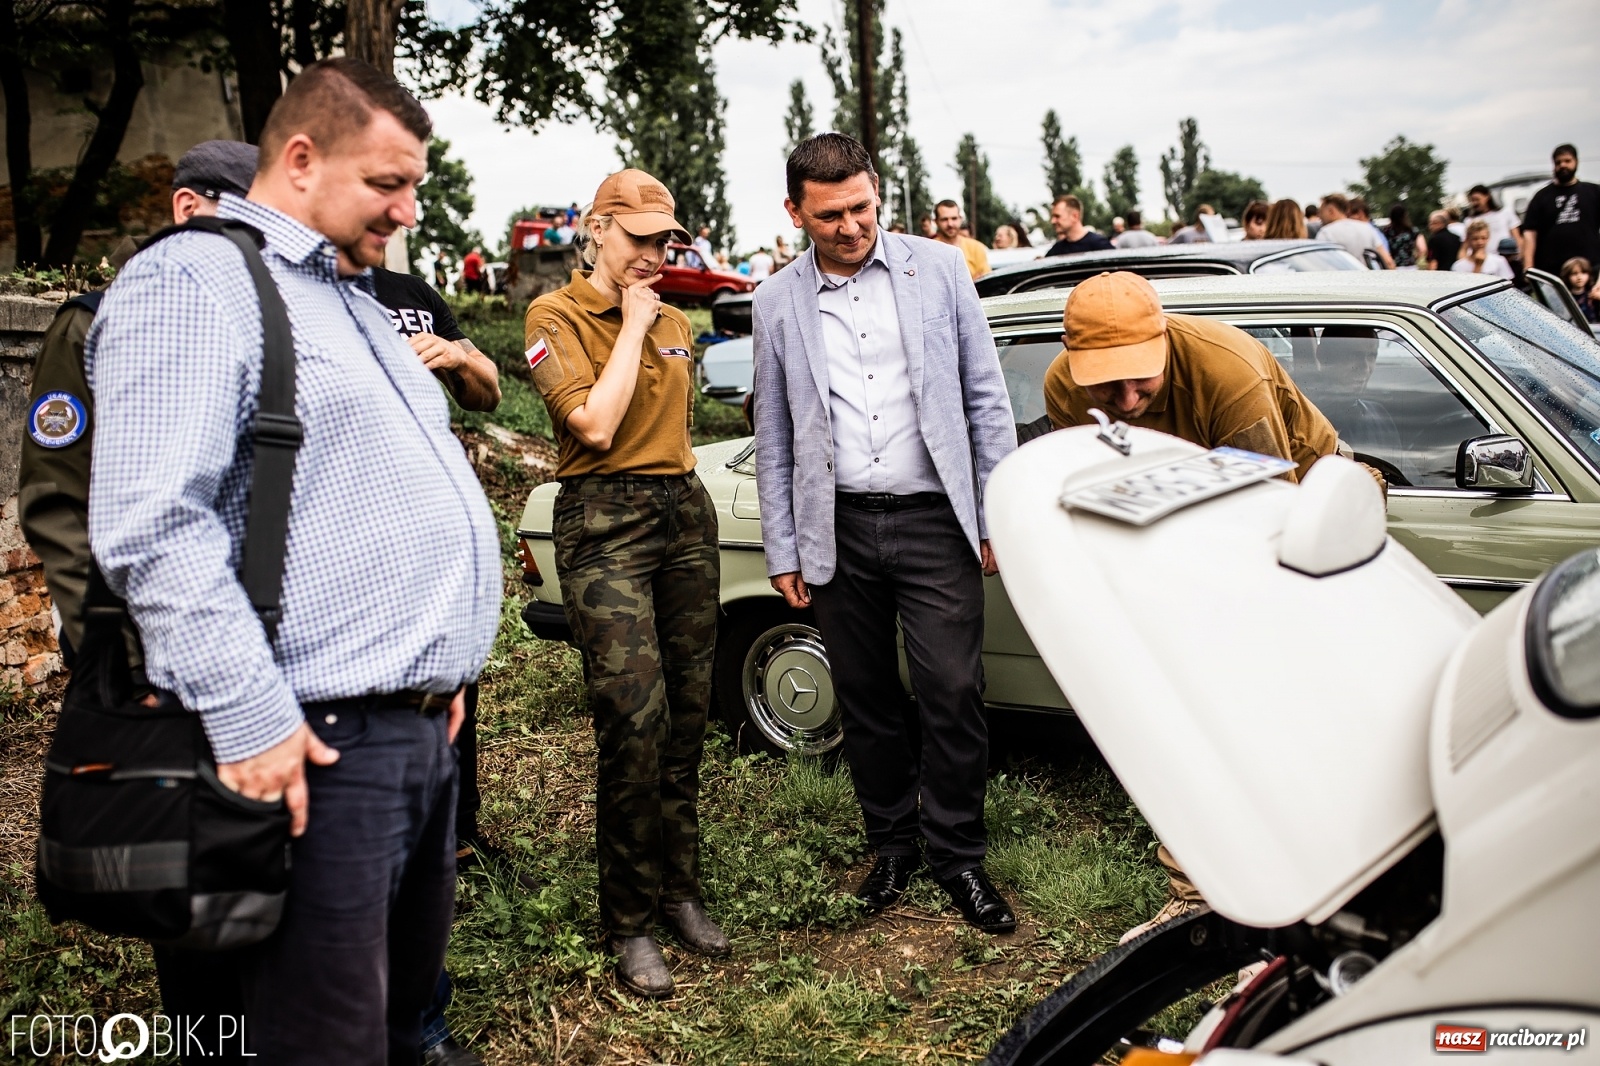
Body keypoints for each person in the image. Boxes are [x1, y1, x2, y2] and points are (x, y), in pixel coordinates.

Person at [85, 57, 501, 1063]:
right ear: (303, 159)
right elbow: (149, 521)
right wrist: (250, 714)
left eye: (416, 187)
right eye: (387, 183)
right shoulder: (197, 281)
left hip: (412, 729)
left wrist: (437, 667)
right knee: (322, 1038)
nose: (406, 211)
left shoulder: (347, 296)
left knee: (401, 1021)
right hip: (311, 743)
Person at [753, 133, 1019, 936]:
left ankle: (960, 857)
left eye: (862, 207)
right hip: (837, 528)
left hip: (936, 519)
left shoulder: (939, 271)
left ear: (879, 194)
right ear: (796, 212)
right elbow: (773, 431)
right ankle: (893, 846)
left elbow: (985, 398)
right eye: (829, 214)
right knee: (866, 699)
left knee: (950, 691)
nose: (850, 226)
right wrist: (784, 546)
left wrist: (995, 508)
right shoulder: (774, 302)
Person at [1042, 270, 1359, 941]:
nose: (1125, 399)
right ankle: (1197, 895)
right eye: (1106, 383)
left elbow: (1267, 519)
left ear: (1163, 343)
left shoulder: (1227, 372)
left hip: (1306, 503)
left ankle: (1311, 882)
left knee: (1275, 706)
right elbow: (1105, 486)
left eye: (1140, 379)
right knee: (1178, 715)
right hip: (1177, 514)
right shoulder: (1062, 387)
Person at [523, 168, 727, 999]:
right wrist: (636, 324)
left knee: (686, 713)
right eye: (638, 238)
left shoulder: (678, 316)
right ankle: (629, 920)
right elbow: (596, 426)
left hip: (682, 512)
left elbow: (670, 425)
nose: (653, 254)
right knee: (633, 718)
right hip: (604, 522)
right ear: (599, 229)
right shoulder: (554, 316)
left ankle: (678, 890)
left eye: (664, 241)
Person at [21, 138, 258, 677]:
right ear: (188, 208)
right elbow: (56, 498)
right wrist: (115, 655)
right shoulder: (90, 323)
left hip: (239, 640)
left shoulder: (247, 326)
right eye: (248, 220)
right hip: (133, 641)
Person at [1522, 144, 1600, 275]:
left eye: (1567, 161)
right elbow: (1529, 234)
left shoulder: (1594, 191)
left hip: (1590, 269)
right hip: (1551, 271)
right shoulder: (1541, 196)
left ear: (1576, 162)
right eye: (1558, 162)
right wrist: (1528, 267)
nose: (1563, 165)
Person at [1317, 194, 1393, 268]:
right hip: (1369, 278)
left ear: (1331, 211)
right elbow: (1388, 262)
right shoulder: (1367, 228)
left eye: (1321, 212)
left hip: (1341, 279)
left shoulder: (1325, 233)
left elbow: (1320, 265)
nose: (1319, 216)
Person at [933, 198, 991, 279]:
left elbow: (986, 280)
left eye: (954, 218)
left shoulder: (976, 247)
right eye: (944, 219)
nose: (950, 224)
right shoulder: (929, 249)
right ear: (936, 222)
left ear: (960, 219)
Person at [1046, 194, 1114, 256]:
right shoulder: (1056, 251)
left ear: (1075, 216)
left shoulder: (1100, 245)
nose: (1053, 221)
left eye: (1057, 216)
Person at [1467, 184, 1521, 251]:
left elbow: (1517, 237)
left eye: (1477, 199)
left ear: (1487, 196)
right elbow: (1467, 244)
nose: (1475, 203)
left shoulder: (1505, 213)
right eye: (1472, 200)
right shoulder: (1470, 220)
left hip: (1505, 256)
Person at [1559, 257, 1599, 323]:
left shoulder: (1592, 296)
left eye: (1583, 273)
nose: (1579, 277)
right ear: (1567, 276)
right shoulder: (1564, 296)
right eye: (1574, 274)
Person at [1387, 204, 1422, 269]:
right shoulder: (1412, 230)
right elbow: (1422, 249)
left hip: (1394, 266)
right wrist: (1415, 258)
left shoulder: (1386, 231)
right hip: (1411, 266)